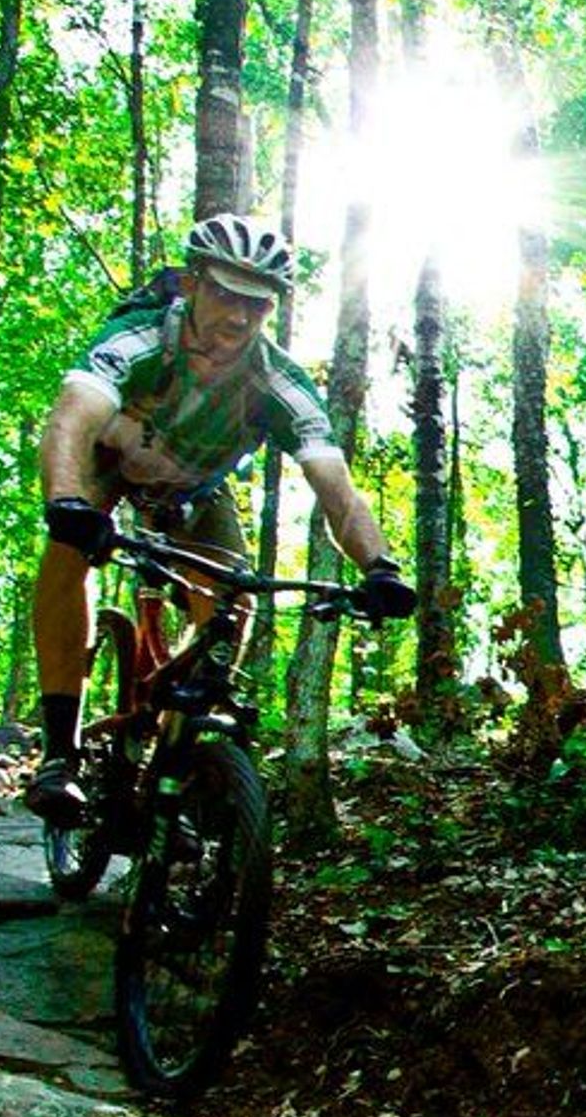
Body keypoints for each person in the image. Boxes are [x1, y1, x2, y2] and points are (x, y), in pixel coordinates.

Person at [24, 212, 415, 823]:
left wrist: (380, 566)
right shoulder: (140, 337)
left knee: (234, 602)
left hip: (195, 490)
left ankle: (178, 758)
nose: (238, 317)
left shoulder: (277, 381)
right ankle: (59, 754)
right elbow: (72, 417)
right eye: (227, 295)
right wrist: (67, 503)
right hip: (110, 461)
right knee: (66, 557)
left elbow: (336, 487)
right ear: (192, 284)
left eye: (255, 307)